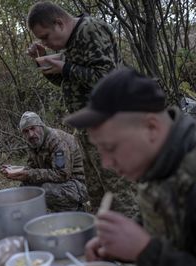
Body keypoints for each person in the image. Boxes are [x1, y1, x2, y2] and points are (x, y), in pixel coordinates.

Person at [64, 67, 196, 266]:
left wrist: (144, 250)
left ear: (151, 128)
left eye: (110, 148)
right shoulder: (161, 161)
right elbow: (167, 225)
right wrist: (118, 245)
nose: (106, 163)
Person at [26, 1, 124, 211]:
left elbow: (106, 77)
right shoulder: (71, 43)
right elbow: (67, 81)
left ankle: (137, 241)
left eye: (45, 36)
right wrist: (43, 63)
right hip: (88, 130)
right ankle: (105, 239)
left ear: (59, 23)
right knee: (97, 194)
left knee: (120, 195)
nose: (46, 42)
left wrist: (65, 66)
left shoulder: (90, 29)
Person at [1, 111, 88, 212]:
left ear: (41, 126)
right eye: (26, 131)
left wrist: (28, 174)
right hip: (63, 182)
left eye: (33, 128)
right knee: (25, 188)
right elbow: (33, 168)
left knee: (45, 190)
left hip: (79, 185)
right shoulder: (34, 142)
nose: (31, 134)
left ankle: (76, 211)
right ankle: (34, 218)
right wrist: (16, 170)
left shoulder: (56, 141)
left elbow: (62, 174)